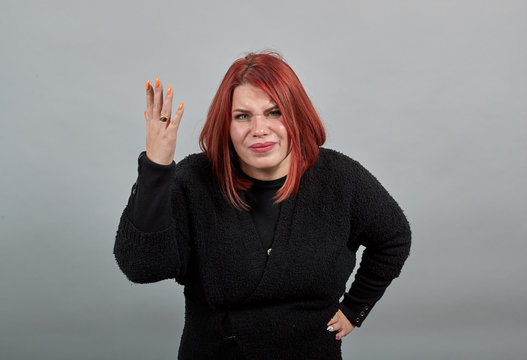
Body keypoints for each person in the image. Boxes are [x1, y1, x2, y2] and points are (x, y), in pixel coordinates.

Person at [114, 52, 411, 360]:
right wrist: (156, 167)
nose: (259, 129)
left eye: (274, 112)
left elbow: (394, 237)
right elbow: (142, 267)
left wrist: (354, 308)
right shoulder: (193, 180)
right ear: (225, 124)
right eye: (242, 116)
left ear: (297, 115)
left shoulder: (341, 178)